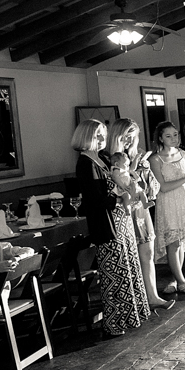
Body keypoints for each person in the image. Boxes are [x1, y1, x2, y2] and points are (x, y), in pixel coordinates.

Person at [73, 119, 150, 337]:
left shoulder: (102, 158)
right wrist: (118, 200)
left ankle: (130, 317)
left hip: (121, 220)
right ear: (85, 136)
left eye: (102, 134)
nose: (101, 139)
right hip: (106, 223)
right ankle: (114, 323)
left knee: (127, 268)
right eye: (96, 135)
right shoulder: (85, 162)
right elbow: (95, 198)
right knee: (113, 274)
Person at [106, 118, 174, 311]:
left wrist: (145, 174)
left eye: (132, 137)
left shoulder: (138, 156)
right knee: (130, 256)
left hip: (141, 209)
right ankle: (137, 299)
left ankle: (152, 296)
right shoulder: (109, 159)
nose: (129, 142)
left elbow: (153, 187)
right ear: (117, 136)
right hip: (124, 211)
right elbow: (114, 187)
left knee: (148, 253)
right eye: (125, 137)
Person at [149, 121, 185, 295]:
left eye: (175, 134)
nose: (173, 138)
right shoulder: (155, 159)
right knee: (172, 242)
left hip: (183, 200)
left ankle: (175, 279)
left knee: (181, 242)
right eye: (168, 136)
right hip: (168, 201)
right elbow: (162, 187)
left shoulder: (183, 154)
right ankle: (182, 281)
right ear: (161, 138)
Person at [108, 151, 151, 216]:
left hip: (129, 186)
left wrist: (136, 158)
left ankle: (145, 203)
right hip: (122, 188)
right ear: (117, 164)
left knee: (141, 192)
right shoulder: (116, 170)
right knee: (126, 197)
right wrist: (122, 185)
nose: (128, 167)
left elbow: (132, 168)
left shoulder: (125, 169)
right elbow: (115, 177)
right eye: (126, 165)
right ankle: (127, 209)